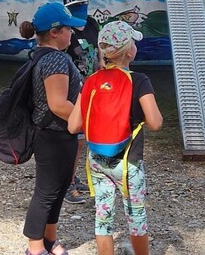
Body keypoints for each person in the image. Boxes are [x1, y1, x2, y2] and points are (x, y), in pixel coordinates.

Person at [67, 21, 163, 255]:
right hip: (128, 163)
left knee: (103, 217)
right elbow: (156, 122)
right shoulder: (139, 80)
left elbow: (72, 126)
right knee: (136, 215)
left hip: (97, 159)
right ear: (130, 51)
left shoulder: (91, 81)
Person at [22, 2, 86, 255]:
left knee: (59, 189)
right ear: (55, 32)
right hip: (53, 135)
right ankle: (35, 247)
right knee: (46, 192)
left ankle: (50, 240)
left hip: (59, 134)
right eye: (69, 29)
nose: (73, 33)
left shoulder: (44, 56)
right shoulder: (55, 60)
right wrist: (93, 121)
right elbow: (58, 105)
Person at [62, 0, 101, 205]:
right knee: (74, 139)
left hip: (92, 89)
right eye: (77, 6)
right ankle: (66, 183)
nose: (82, 8)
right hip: (72, 91)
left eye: (84, 4)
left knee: (83, 138)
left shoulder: (92, 24)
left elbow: (98, 52)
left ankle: (72, 176)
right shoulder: (67, 30)